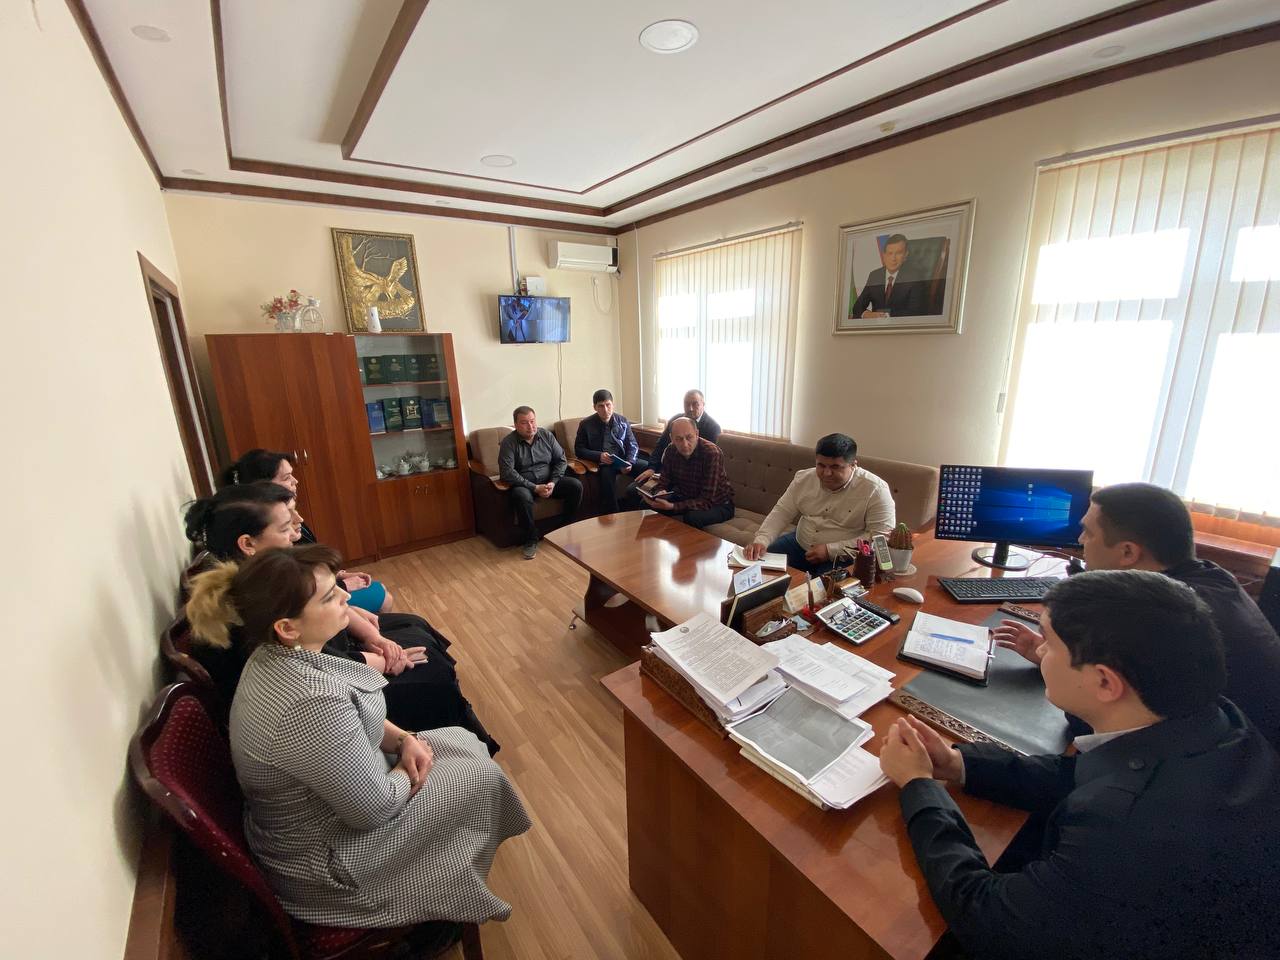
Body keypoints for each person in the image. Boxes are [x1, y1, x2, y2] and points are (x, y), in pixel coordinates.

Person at [879, 570, 1280, 960]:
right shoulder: (1214, 721)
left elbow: (989, 920)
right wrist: (955, 763)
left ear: (1105, 682)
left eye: (1049, 645)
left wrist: (918, 785)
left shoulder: (1128, 827)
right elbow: (1081, 776)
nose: (1038, 652)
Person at [187, 545, 530, 928]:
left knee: (458, 739)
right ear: (288, 627)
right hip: (328, 863)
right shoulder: (309, 703)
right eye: (331, 596)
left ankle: (450, 862)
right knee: (479, 777)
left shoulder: (275, 655)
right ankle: (441, 885)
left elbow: (351, 717)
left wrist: (404, 741)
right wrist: (406, 769)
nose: (346, 597)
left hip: (315, 813)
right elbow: (375, 809)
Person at [183, 485, 498, 752]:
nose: (296, 532)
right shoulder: (256, 603)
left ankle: (464, 737)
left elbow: (331, 614)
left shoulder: (269, 577)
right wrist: (386, 659)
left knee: (414, 626)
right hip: (333, 686)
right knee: (432, 672)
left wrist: (376, 639)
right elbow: (322, 668)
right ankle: (457, 746)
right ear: (247, 544)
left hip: (336, 658)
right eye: (284, 528)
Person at [993, 482, 1280, 748]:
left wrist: (1064, 666)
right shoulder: (1214, 579)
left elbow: (1090, 722)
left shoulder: (1160, 617)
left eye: (1089, 533)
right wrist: (1055, 658)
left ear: (1128, 552)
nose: (1080, 540)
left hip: (1221, 779)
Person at [222, 448, 392, 614]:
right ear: (265, 486)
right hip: (310, 602)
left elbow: (308, 566)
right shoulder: (265, 528)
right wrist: (341, 585)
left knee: (378, 593)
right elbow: (293, 590)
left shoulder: (280, 516)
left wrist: (338, 575)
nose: (295, 481)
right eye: (287, 477)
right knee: (383, 595)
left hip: (319, 587)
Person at [744, 433, 895, 574]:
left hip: (843, 557)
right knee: (756, 567)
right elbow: (782, 511)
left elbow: (880, 536)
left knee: (821, 594)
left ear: (853, 465)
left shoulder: (876, 490)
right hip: (799, 543)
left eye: (835, 467)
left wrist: (831, 550)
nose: (826, 473)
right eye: (821, 465)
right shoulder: (803, 478)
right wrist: (762, 540)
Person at [498, 406, 583, 559]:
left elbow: (561, 460)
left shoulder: (546, 435)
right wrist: (534, 487)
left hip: (549, 481)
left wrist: (554, 482)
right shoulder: (509, 442)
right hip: (525, 485)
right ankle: (531, 539)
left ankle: (564, 527)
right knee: (520, 496)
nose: (530, 426)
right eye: (524, 423)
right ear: (516, 425)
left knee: (575, 486)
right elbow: (507, 472)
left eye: (532, 421)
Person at [622, 416, 733, 529]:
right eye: (679, 439)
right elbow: (663, 481)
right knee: (645, 504)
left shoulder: (712, 453)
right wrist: (660, 493)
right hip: (686, 496)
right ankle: (651, 545)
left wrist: (672, 506)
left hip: (718, 504)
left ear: (697, 433)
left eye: (689, 437)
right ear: (671, 438)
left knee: (692, 517)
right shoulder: (670, 450)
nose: (685, 444)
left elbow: (706, 500)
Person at [573, 388, 645, 514]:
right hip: (605, 463)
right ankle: (613, 513)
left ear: (612, 404)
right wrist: (599, 456)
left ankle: (639, 506)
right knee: (606, 476)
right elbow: (579, 449)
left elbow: (632, 444)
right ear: (594, 407)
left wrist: (629, 462)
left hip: (623, 459)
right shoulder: (586, 424)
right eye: (601, 406)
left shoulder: (622, 420)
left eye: (608, 405)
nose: (605, 410)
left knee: (647, 467)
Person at [849, 233, 927, 318]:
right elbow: (857, 307)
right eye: (890, 253)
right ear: (884, 255)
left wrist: (885, 316)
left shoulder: (915, 277)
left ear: (905, 255)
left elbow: (916, 312)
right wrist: (867, 314)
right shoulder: (875, 275)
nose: (893, 258)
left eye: (898, 253)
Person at [646, 389, 722, 467]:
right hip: (667, 467)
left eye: (695, 404)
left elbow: (709, 458)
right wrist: (652, 467)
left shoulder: (713, 428)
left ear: (703, 404)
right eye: (687, 404)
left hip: (693, 471)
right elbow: (661, 444)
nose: (690, 408)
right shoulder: (675, 420)